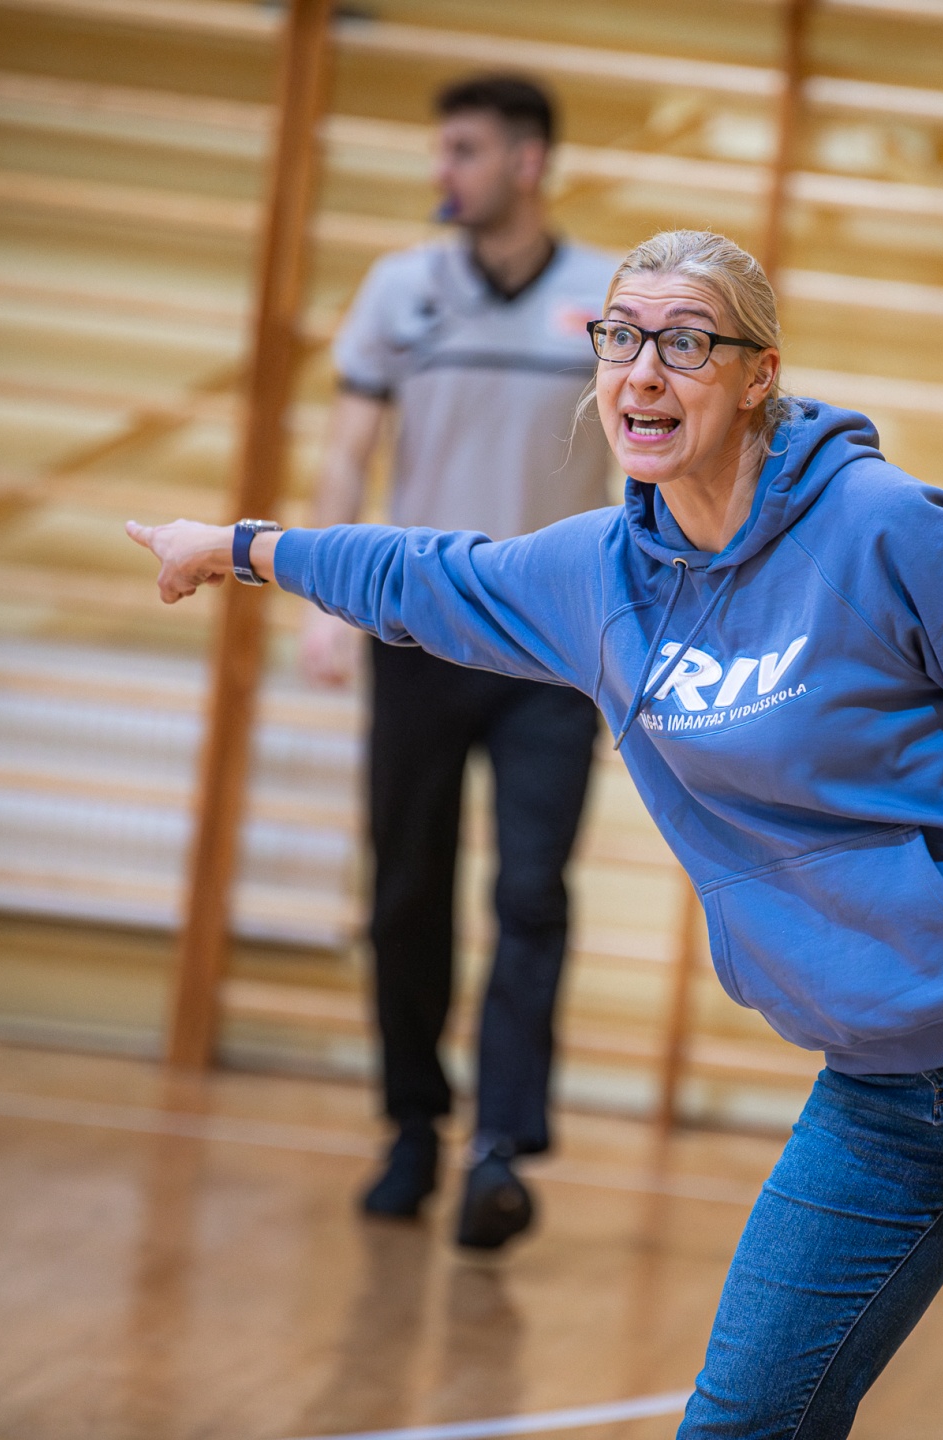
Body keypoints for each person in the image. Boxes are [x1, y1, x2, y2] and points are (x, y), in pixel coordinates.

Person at [131, 229, 943, 1438]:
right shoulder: (598, 579)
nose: (641, 373)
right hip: (879, 1078)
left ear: (757, 376)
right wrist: (238, 549)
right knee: (740, 1426)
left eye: (685, 345)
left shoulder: (883, 529)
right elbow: (422, 574)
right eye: (620, 339)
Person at [305, 74, 616, 1246]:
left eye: (465, 152)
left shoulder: (606, 301)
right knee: (405, 890)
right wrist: (326, 598)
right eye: (442, 151)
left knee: (532, 893)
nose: (443, 172)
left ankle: (499, 1149)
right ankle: (411, 1127)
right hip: (416, 633)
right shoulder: (401, 289)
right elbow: (348, 453)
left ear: (528, 163)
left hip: (552, 647)